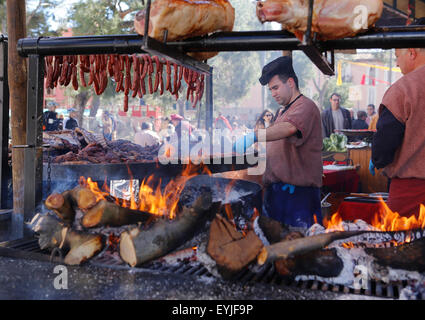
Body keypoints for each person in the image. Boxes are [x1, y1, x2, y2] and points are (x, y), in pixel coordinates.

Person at [234, 56, 323, 228]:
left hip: (298, 195)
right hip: (277, 192)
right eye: (270, 90)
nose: (273, 93)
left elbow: (288, 128)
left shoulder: (305, 106)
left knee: (299, 247)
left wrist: (254, 136)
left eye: (276, 87)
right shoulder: (282, 111)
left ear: (290, 82)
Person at [370, 24, 425, 217]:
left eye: (397, 56)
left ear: (411, 52)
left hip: (411, 195)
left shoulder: (403, 89)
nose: (396, 63)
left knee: (405, 246)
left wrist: (377, 159)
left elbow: (385, 143)